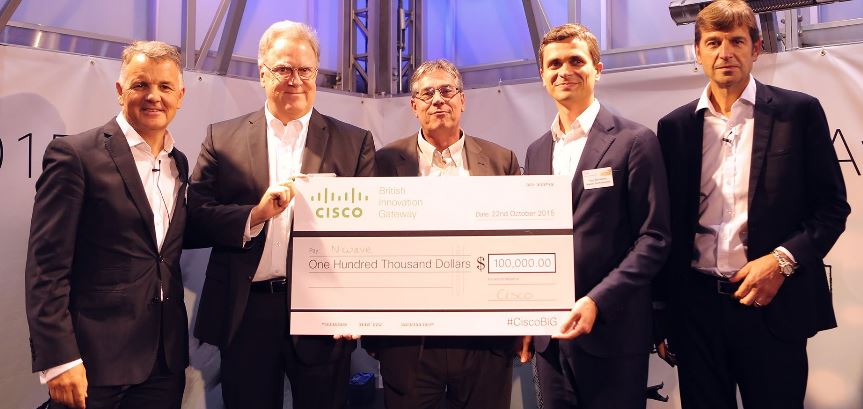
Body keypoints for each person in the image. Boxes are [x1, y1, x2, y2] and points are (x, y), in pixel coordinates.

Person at [654, 1, 851, 408]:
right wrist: (662, 314)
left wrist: (781, 261)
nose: (725, 52)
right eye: (713, 42)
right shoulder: (674, 127)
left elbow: (832, 209)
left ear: (756, 48)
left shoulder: (798, 112)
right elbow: (665, 226)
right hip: (696, 310)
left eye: (736, 41)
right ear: (697, 51)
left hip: (772, 304)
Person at [188, 20, 376, 409]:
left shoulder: (354, 142)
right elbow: (195, 218)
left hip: (323, 310)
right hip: (246, 311)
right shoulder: (222, 139)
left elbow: (368, 235)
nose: (295, 79)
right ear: (262, 73)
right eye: (283, 69)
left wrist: (355, 305)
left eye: (305, 70)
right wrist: (254, 215)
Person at [25, 41, 189, 409]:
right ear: (120, 91)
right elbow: (46, 267)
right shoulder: (75, 156)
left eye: (165, 86)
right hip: (92, 362)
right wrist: (58, 359)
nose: (154, 96)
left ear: (180, 96)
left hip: (164, 363)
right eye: (141, 84)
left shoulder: (178, 163)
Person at [521, 23, 671, 409]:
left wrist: (597, 300)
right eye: (554, 64)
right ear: (542, 75)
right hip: (551, 339)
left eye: (576, 61)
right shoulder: (536, 152)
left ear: (597, 69)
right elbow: (535, 240)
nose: (564, 71)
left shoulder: (634, 141)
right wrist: (527, 317)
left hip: (613, 331)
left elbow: (654, 239)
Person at [367, 59, 520, 409]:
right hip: (409, 340)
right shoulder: (383, 163)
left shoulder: (502, 161)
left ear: (462, 100)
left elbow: (516, 244)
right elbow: (370, 247)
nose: (438, 99)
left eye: (447, 91)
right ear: (414, 106)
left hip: (483, 337)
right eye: (427, 94)